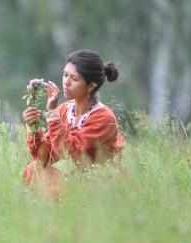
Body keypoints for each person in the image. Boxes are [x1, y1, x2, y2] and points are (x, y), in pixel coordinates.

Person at [22, 49, 125, 194]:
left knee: (56, 189)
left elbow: (73, 153)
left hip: (99, 185)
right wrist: (32, 127)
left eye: (74, 79)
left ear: (91, 86)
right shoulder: (64, 110)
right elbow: (45, 157)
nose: (66, 82)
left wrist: (52, 113)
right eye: (65, 75)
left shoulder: (104, 118)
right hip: (75, 181)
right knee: (35, 169)